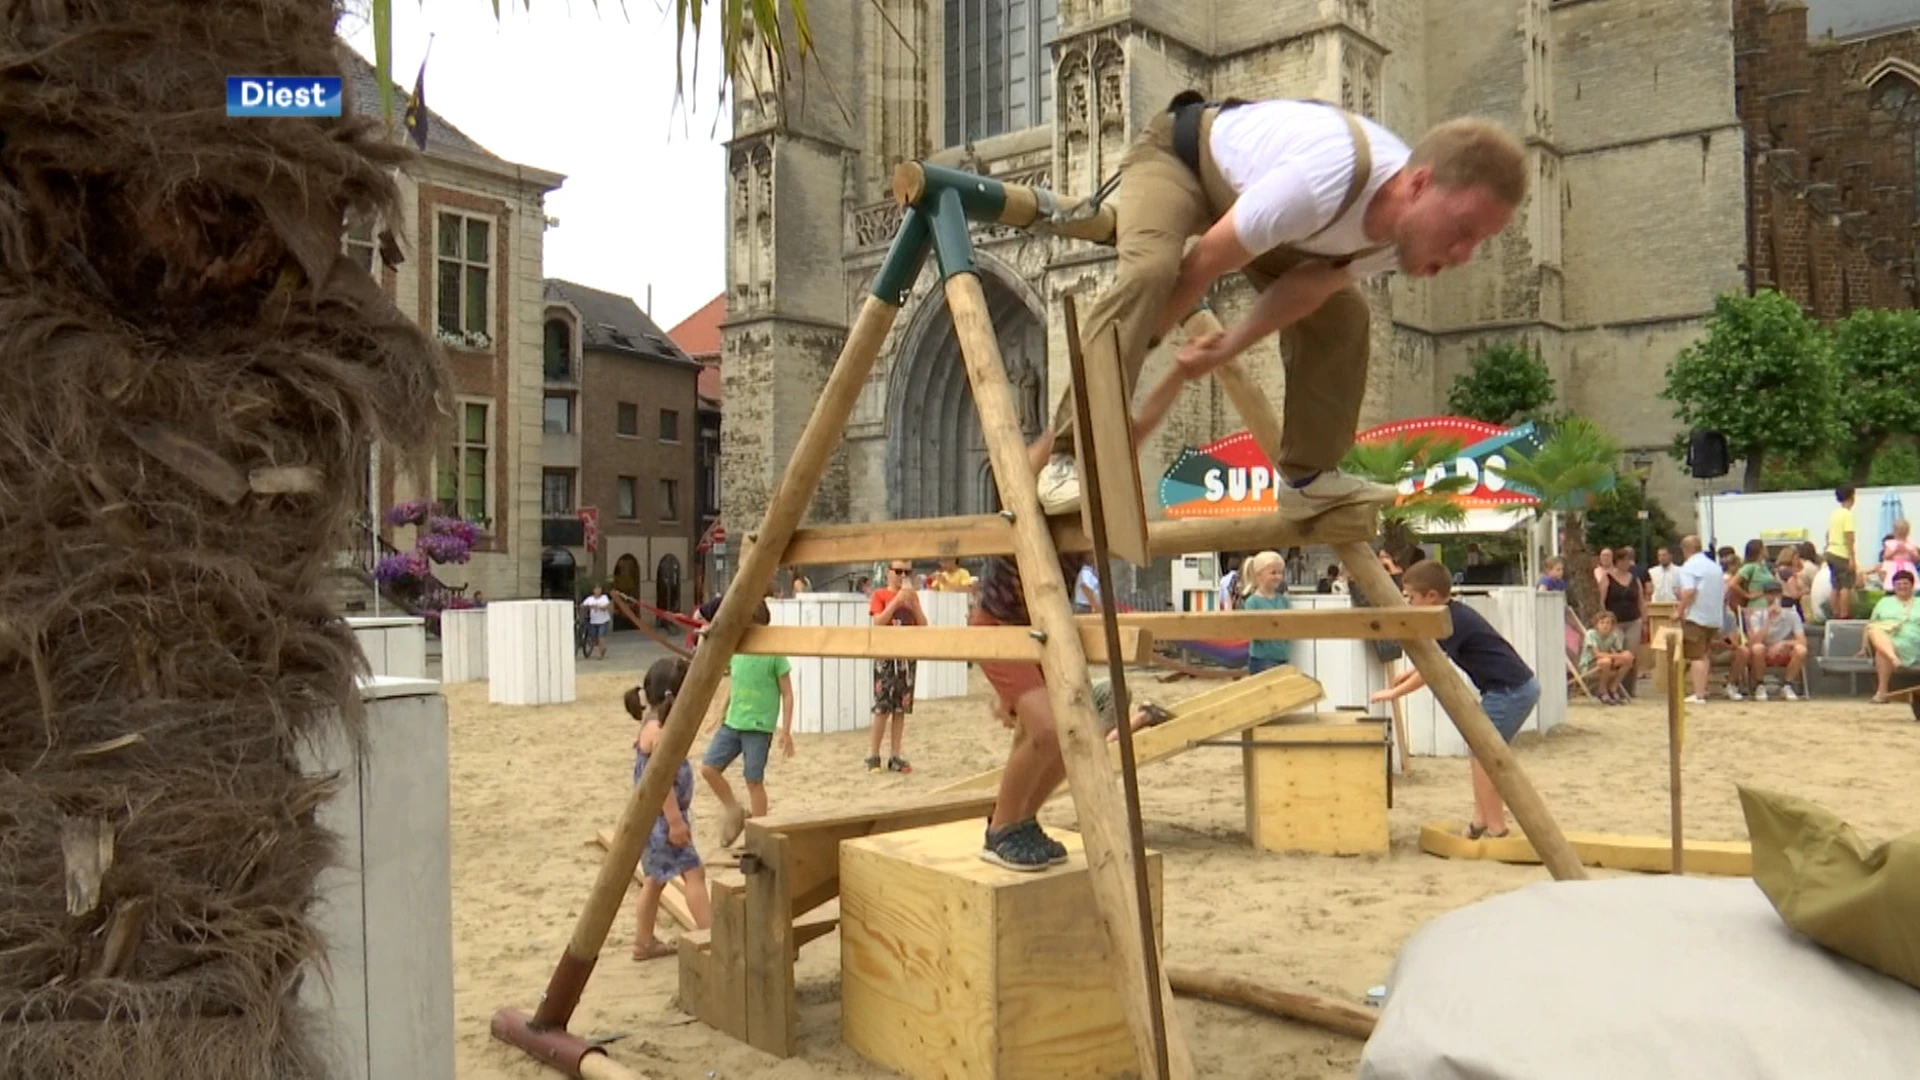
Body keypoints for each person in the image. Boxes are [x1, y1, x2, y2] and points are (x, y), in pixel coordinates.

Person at [1031, 94, 1527, 526]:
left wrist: (1231, 343)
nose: (1464, 254)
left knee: (1345, 316)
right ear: (1417, 185)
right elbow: (1202, 264)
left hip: (1266, 215)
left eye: (1479, 241)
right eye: (1463, 229)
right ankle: (1069, 456)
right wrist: (1142, 342)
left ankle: (1308, 478)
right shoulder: (1323, 180)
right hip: (1180, 160)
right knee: (1149, 275)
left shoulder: (1401, 235)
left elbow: (1309, 285)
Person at [1371, 560, 1541, 839]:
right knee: (1482, 754)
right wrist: (1407, 673)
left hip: (1510, 690)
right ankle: (1481, 819)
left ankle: (1495, 825)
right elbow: (1434, 659)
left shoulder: (1451, 620)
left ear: (1432, 597)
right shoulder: (1452, 614)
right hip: (1509, 688)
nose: (1409, 603)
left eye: (1411, 598)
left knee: (1486, 756)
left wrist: (1394, 693)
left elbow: (1434, 668)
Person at [626, 658, 712, 960]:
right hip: (664, 821)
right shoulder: (660, 731)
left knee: (655, 879)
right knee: (694, 873)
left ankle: (643, 941)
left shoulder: (653, 722)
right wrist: (675, 821)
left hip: (653, 821)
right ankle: (712, 937)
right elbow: (661, 780)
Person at [698, 600, 795, 846]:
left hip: (759, 725)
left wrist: (786, 730)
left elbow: (787, 693)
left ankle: (759, 836)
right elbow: (732, 681)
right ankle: (734, 809)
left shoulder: (774, 651)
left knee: (754, 781)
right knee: (709, 768)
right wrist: (719, 711)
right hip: (734, 721)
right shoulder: (737, 649)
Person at [867, 560, 924, 774]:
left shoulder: (913, 597)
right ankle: (873, 754)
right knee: (882, 707)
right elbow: (879, 621)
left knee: (901, 708)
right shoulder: (880, 595)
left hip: (906, 658)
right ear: (889, 572)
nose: (902, 576)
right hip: (886, 657)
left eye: (907, 572)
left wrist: (914, 604)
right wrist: (897, 601)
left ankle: (895, 754)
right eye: (898, 571)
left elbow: (923, 625)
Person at [1675, 535, 1726, 706]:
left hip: (1696, 616)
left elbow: (1689, 591)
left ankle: (1698, 694)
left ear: (1685, 550)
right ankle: (1702, 690)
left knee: (1696, 655)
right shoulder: (1715, 567)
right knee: (1705, 654)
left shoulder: (1688, 567)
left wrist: (1679, 611)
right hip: (1714, 616)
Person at [1742, 579, 1807, 701]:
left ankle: (1788, 685)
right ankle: (1760, 684)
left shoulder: (1792, 615)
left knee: (1801, 650)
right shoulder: (1757, 615)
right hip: (1764, 650)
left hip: (1784, 650)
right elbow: (1754, 642)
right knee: (1757, 648)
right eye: (1770, 594)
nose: (1774, 597)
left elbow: (1802, 641)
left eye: (1777, 593)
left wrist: (1783, 643)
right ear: (1765, 596)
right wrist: (1768, 620)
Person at [1864, 569, 1919, 705]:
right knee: (1876, 634)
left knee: (1881, 649)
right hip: (1888, 641)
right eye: (1898, 584)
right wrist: (1863, 646)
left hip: (1913, 642)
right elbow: (1870, 625)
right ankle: (1882, 690)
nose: (1902, 587)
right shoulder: (1884, 602)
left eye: (1905, 583)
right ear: (1893, 587)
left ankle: (1882, 691)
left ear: (1912, 585)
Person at [1239, 550, 1292, 674]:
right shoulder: (1252, 602)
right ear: (1259, 575)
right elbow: (1252, 632)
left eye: (1280, 573)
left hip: (1282, 656)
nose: (1278, 576)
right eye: (1273, 573)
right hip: (1261, 658)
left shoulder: (1283, 601)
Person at [1579, 610, 1634, 705]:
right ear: (1596, 625)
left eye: (1608, 623)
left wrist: (1623, 655)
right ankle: (1602, 691)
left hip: (1607, 662)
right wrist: (1617, 656)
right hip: (1590, 664)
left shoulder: (1613, 635)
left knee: (1628, 657)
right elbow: (1597, 654)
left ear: (1612, 626)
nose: (1605, 625)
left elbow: (1620, 652)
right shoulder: (1591, 634)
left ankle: (1613, 688)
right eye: (1602, 623)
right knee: (1606, 661)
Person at [1827, 486, 1859, 620]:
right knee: (1845, 585)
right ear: (1851, 496)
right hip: (1842, 552)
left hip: (1831, 551)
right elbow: (1849, 537)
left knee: (1835, 585)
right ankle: (1844, 614)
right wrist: (1852, 558)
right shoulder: (1848, 514)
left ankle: (1834, 612)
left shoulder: (1835, 514)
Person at [581, 585, 613, 660]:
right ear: (593, 590)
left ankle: (600, 653)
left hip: (603, 620)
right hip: (593, 621)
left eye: (599, 589)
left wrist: (598, 607)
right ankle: (601, 650)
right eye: (596, 589)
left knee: (601, 635)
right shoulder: (590, 599)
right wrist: (588, 606)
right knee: (594, 638)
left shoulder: (604, 598)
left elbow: (606, 606)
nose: (598, 591)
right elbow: (583, 605)